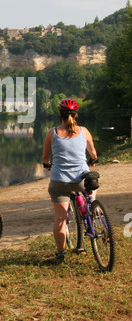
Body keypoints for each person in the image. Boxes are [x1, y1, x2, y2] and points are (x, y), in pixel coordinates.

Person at [42, 98, 98, 264]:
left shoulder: (52, 133)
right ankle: (92, 204)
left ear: (60, 115)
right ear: (76, 115)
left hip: (60, 181)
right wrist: (93, 160)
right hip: (82, 180)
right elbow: (93, 152)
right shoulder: (84, 131)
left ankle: (60, 255)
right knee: (91, 184)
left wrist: (47, 164)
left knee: (61, 218)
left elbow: (45, 157)